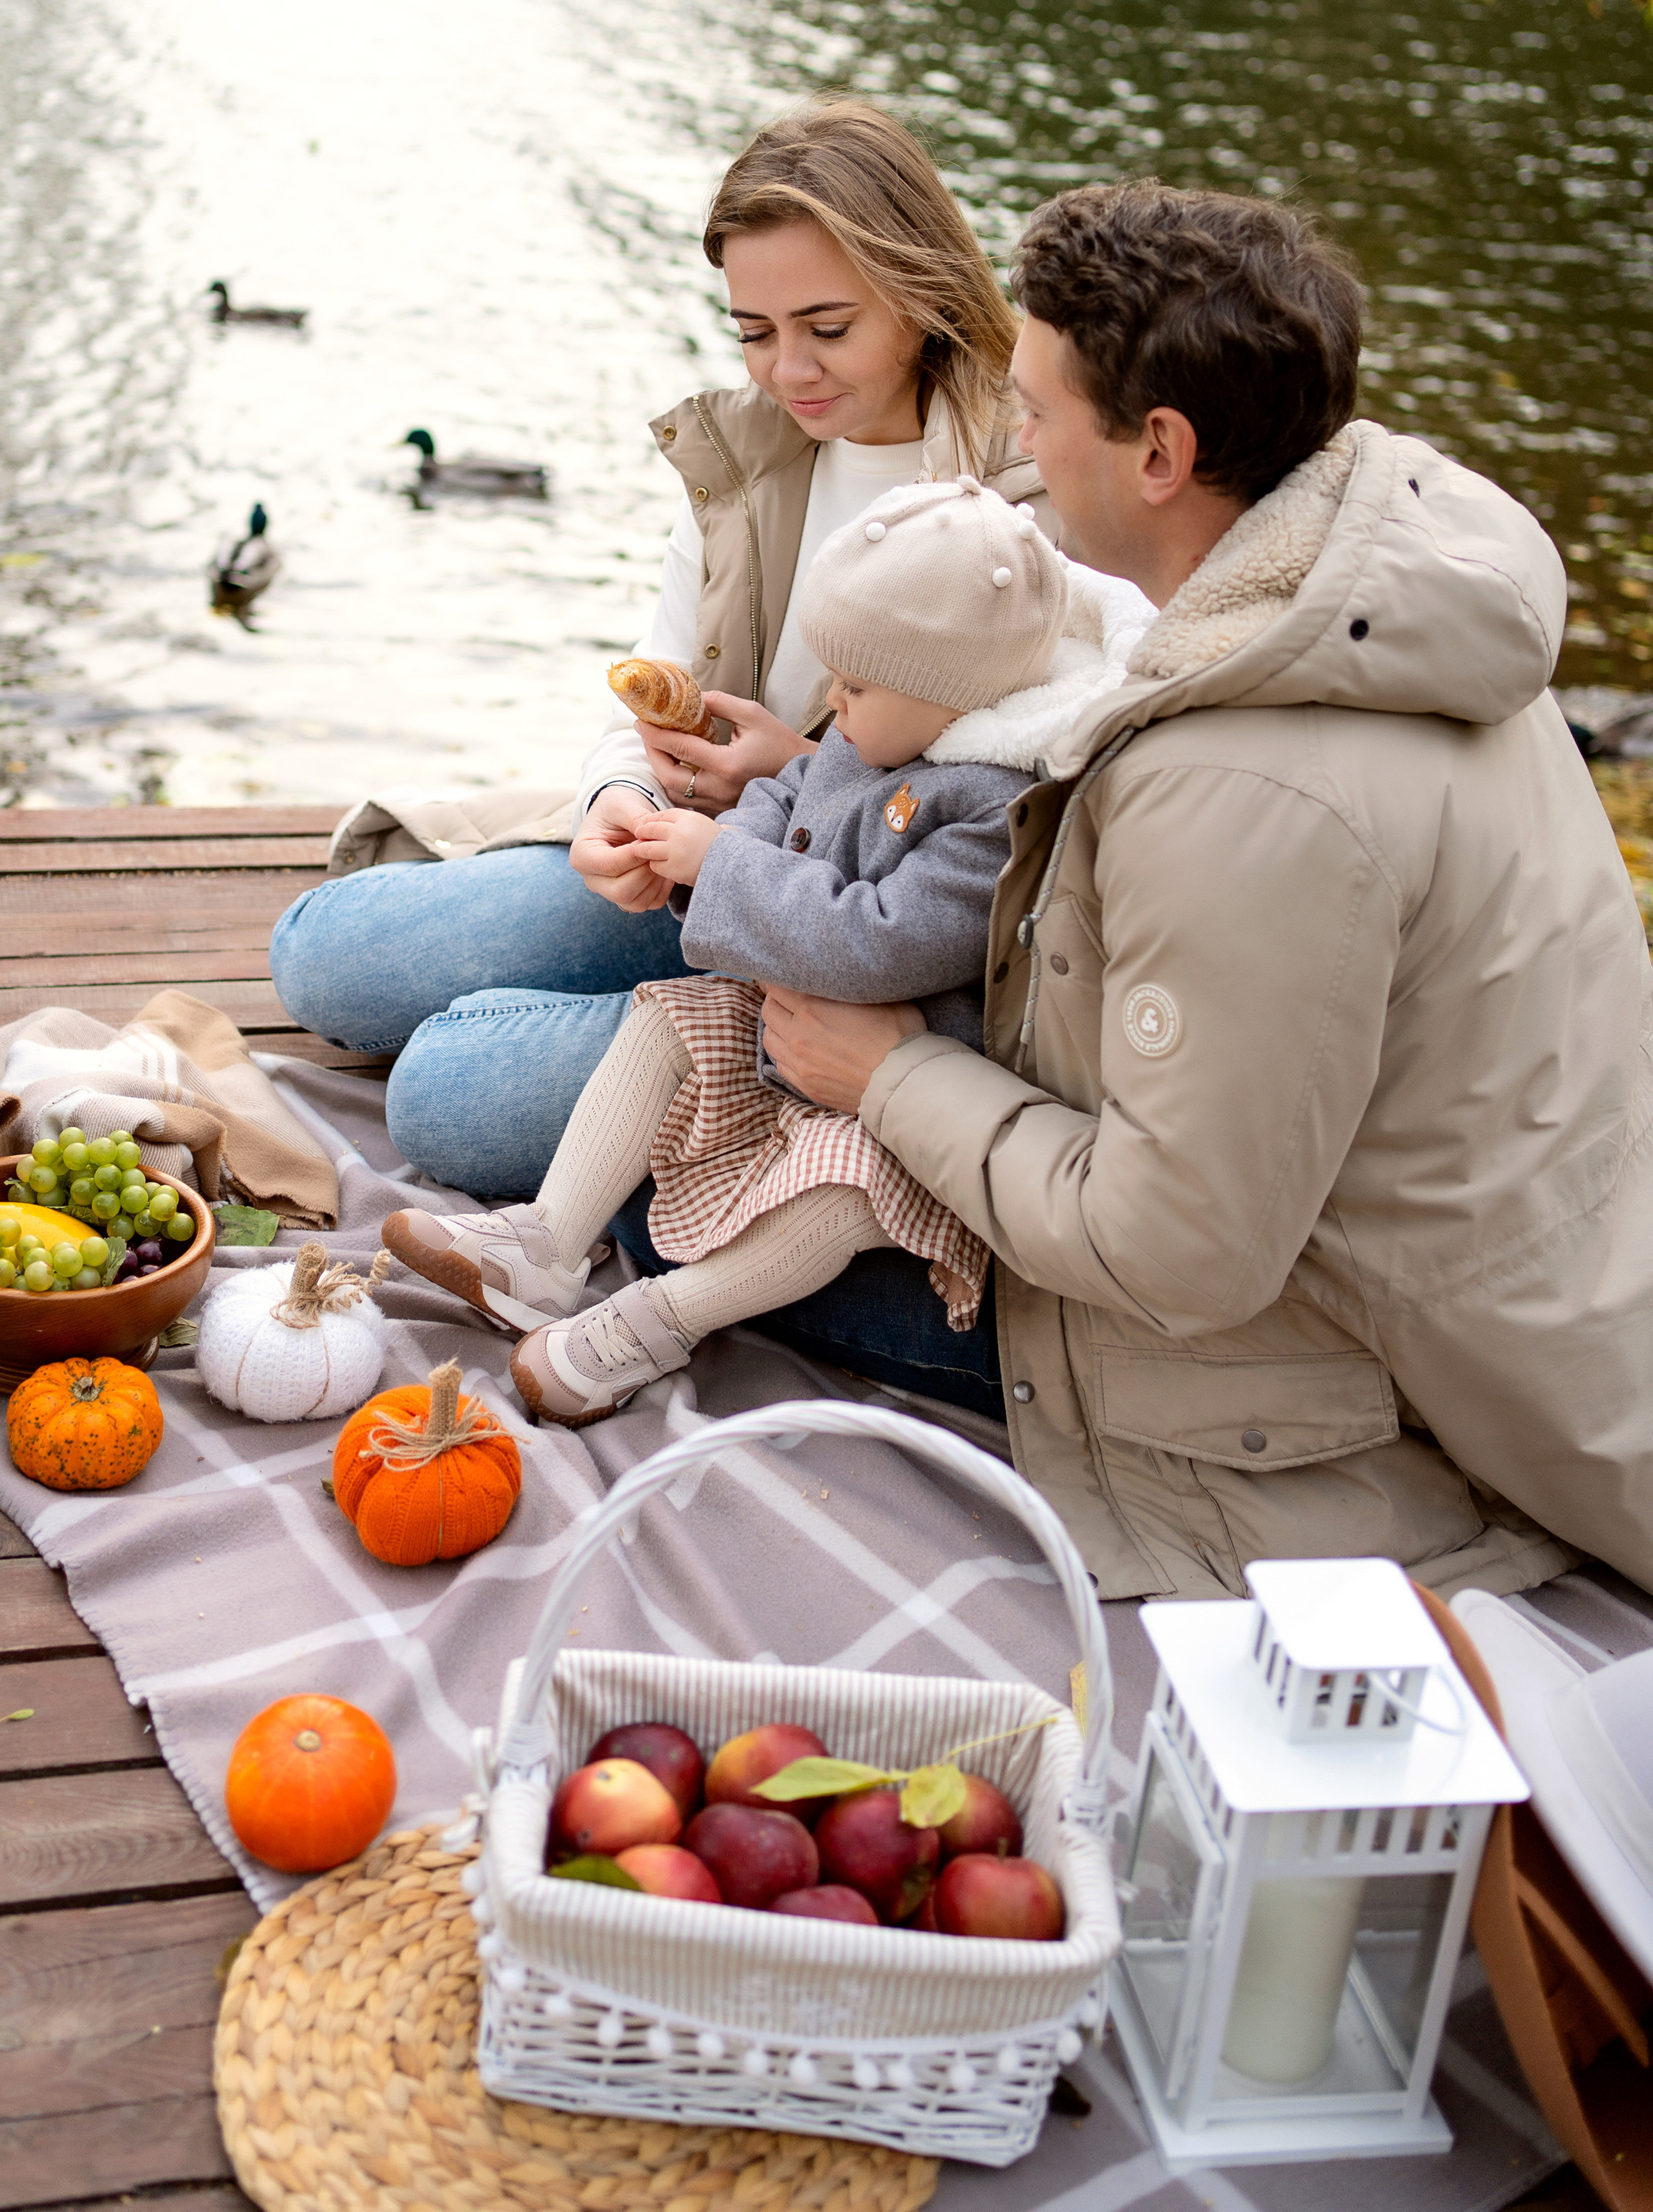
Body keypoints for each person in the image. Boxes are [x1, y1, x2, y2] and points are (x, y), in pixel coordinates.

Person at [754, 177, 1653, 1600]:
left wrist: (891, 1080)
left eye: (1040, 412)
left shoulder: (1244, 787)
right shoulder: (1380, 579)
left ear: (1163, 450)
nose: (1020, 451)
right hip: (1513, 1250)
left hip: (1329, 1385)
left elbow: (1175, 1253)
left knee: (589, 1138)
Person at [270, 100, 1045, 1411]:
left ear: (920, 291)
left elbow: (1010, 803)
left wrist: (798, 769)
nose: (784, 371)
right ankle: (631, 1111)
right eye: (752, 330)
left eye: (826, 329)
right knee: (320, 954)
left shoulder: (1019, 496)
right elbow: (649, 687)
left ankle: (690, 1214)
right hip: (708, 871)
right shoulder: (749, 461)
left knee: (443, 1094)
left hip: (860, 930)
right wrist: (620, 801)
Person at [384, 480, 1151, 1422]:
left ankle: (655, 1323)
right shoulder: (876, 733)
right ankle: (544, 1245)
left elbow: (881, 942)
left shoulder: (989, 809)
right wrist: (701, 856)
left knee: (838, 1197)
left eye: (854, 687)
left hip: (896, 1104)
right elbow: (787, 796)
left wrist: (731, 871)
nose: (833, 702)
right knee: (668, 1019)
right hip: (787, 1022)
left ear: (952, 697)